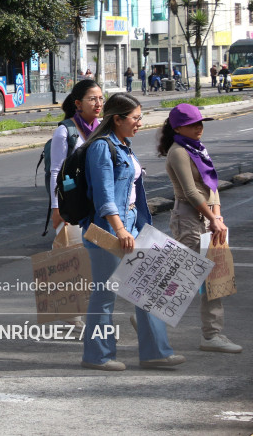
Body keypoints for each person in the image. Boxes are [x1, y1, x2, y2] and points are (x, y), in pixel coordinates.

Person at [80, 92, 185, 371]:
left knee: (149, 289)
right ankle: (97, 356)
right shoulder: (102, 147)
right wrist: (120, 230)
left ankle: (156, 353)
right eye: (136, 118)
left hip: (132, 227)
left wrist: (140, 230)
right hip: (107, 231)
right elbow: (104, 196)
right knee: (105, 295)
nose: (140, 123)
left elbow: (130, 193)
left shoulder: (124, 145)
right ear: (118, 119)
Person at [158, 104, 242, 354]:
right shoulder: (178, 152)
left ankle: (212, 334)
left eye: (201, 122)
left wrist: (217, 216)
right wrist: (211, 218)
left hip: (208, 217)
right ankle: (151, 316)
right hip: (188, 218)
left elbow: (211, 185)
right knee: (188, 277)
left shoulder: (198, 149)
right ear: (177, 128)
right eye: (193, 124)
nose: (199, 127)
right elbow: (190, 191)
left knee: (215, 276)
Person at [49, 80, 103, 240]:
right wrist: (56, 209)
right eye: (93, 99)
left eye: (101, 98)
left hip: (97, 203)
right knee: (77, 258)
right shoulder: (64, 131)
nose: (98, 103)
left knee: (101, 253)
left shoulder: (101, 128)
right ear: (78, 103)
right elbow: (55, 172)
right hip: (74, 203)